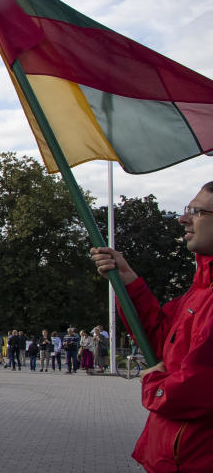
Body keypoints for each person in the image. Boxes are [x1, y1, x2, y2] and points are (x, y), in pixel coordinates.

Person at [90, 184, 213, 472]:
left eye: (196, 212)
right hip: (174, 456)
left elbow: (197, 387)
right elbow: (159, 336)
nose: (183, 219)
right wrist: (127, 280)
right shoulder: (200, 290)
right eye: (186, 210)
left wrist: (153, 385)